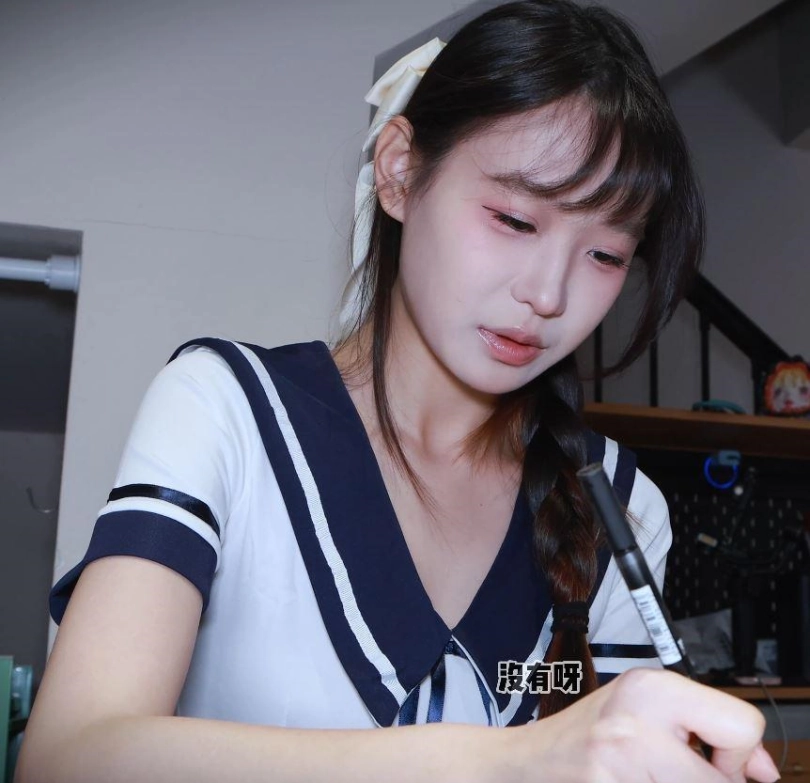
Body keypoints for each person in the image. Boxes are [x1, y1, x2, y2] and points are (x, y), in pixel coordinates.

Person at [15, 2, 781, 782]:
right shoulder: (226, 413)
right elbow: (66, 758)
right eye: (514, 219)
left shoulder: (619, 504)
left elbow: (584, 719)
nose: (549, 295)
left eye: (606, 255)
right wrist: (501, 760)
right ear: (399, 172)